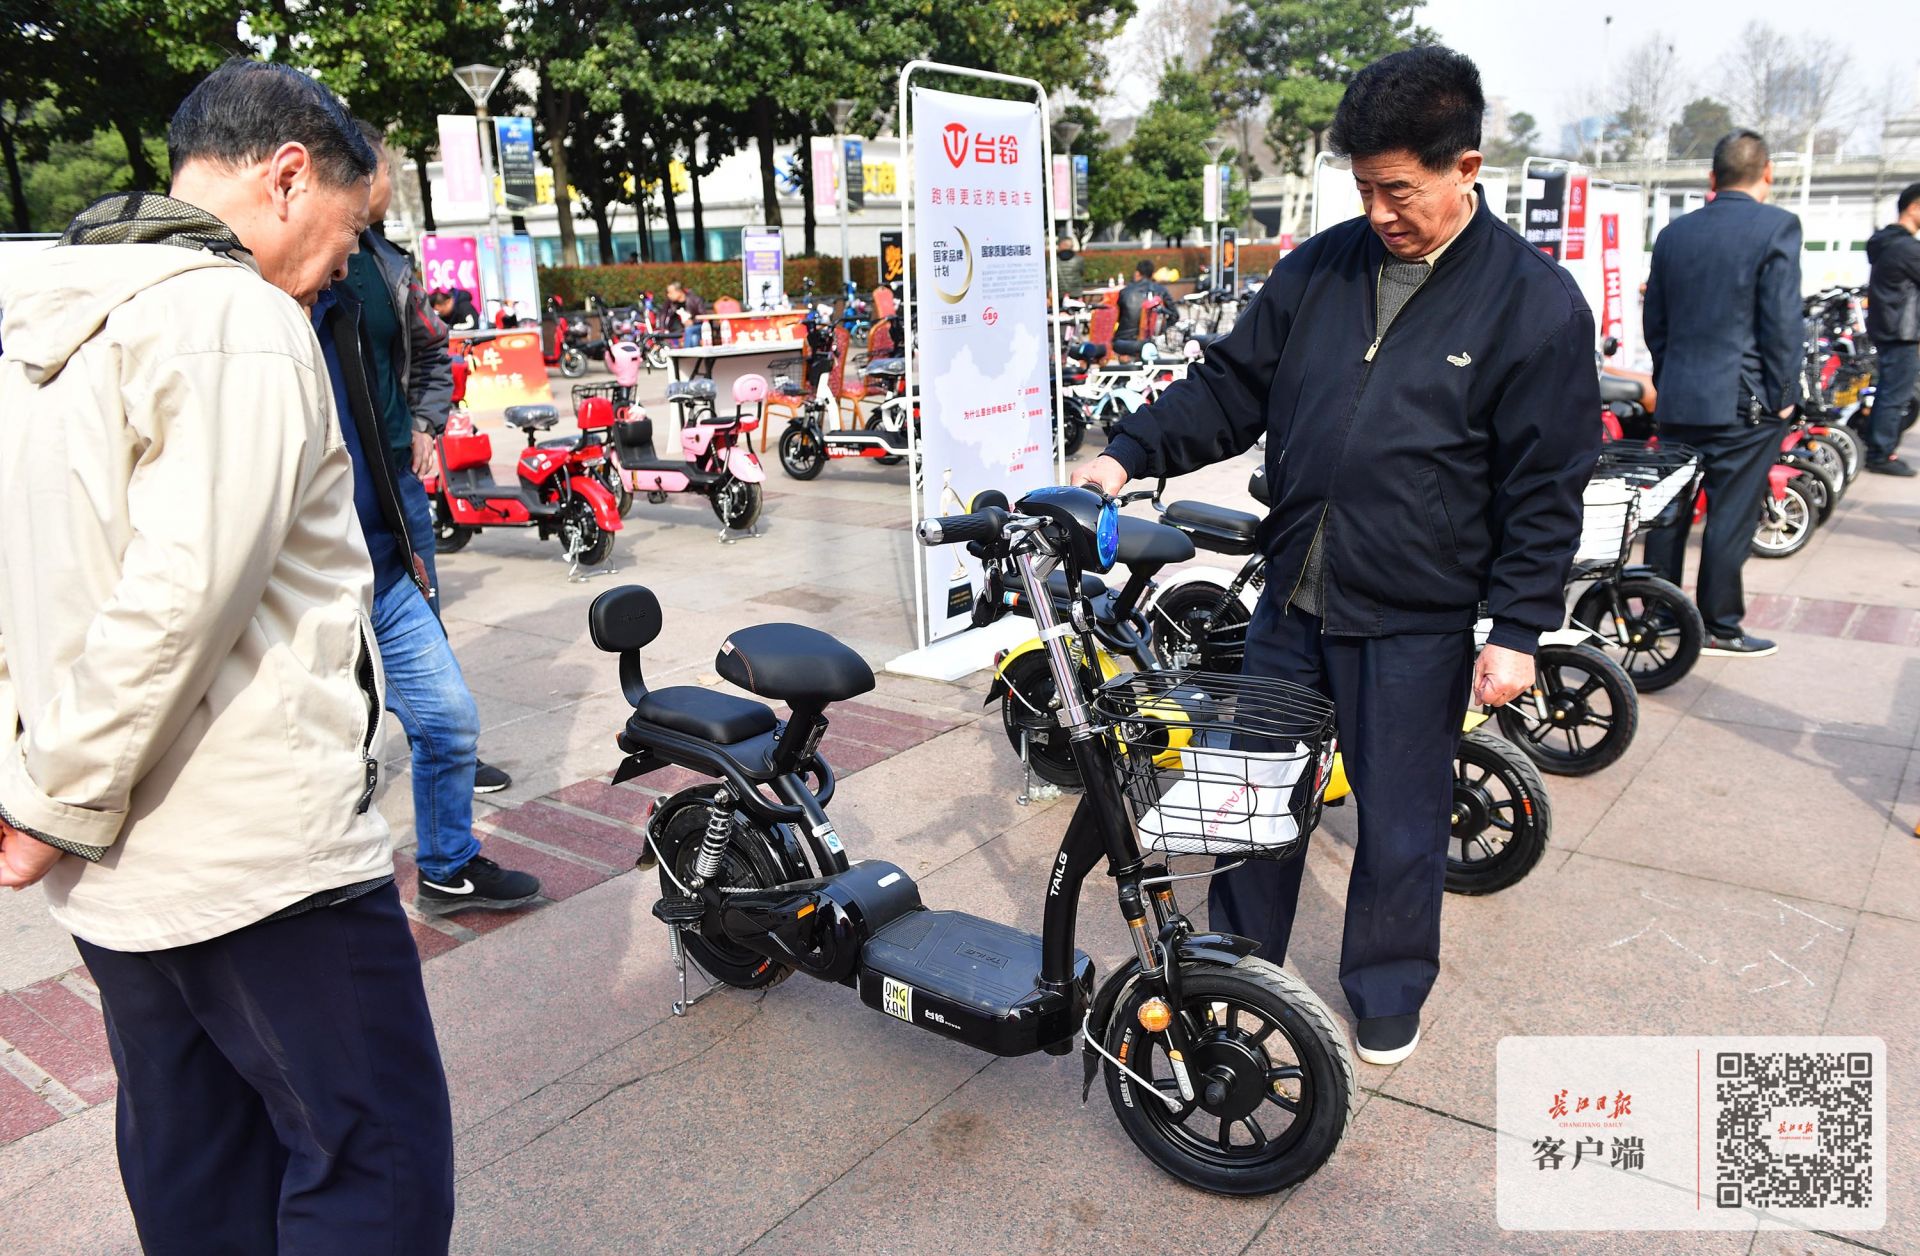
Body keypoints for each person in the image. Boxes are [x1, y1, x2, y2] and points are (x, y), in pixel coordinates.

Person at [0, 59, 454, 1250]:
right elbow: (181, 600)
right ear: (289, 176)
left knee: (196, 1166)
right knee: (379, 1169)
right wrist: (57, 799)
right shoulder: (236, 320)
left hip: (114, 879)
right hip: (256, 856)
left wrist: (34, 785)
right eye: (354, 227)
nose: (353, 261)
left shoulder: (51, 324)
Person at [1073, 45, 1599, 1066]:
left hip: (1415, 612)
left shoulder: (1534, 306)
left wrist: (1522, 627)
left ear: (1465, 168)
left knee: (1400, 819)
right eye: (1363, 188)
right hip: (1294, 596)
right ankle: (1239, 960)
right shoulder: (1323, 267)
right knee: (1257, 797)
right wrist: (1124, 452)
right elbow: (1231, 386)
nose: (1380, 211)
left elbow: (1546, 484)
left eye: (1398, 189)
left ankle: (1387, 988)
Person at [341, 120, 513, 795]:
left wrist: (423, 424)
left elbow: (435, 351)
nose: (389, 184)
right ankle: (347, 763)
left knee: (421, 623)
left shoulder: (387, 263)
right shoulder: (286, 265)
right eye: (387, 171)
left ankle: (446, 754)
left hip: (397, 480)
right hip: (328, 486)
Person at [1643, 129, 1803, 657]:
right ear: (1768, 174)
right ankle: (1719, 626)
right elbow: (1781, 320)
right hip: (1745, 402)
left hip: (1681, 396)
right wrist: (1784, 392)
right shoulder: (1778, 226)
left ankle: (1661, 615)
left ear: (1712, 178)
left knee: (1669, 514)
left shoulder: (1674, 234)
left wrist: (1668, 378)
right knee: (1729, 518)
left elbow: (1656, 321)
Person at [1863, 182, 1920, 474]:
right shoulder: (1906, 248)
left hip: (1891, 328)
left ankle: (1878, 447)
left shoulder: (1887, 242)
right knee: (1895, 395)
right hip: (1901, 331)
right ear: (1913, 207)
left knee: (1892, 391)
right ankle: (1880, 454)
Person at [1114, 258, 1174, 348]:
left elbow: (1117, 316)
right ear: (1153, 274)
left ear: (1137, 273)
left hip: (1123, 339)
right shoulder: (1161, 290)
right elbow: (1174, 315)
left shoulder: (1124, 291)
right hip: (1149, 340)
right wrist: (1160, 331)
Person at [664, 279, 707, 346]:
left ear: (679, 291)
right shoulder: (670, 303)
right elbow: (662, 315)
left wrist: (693, 321)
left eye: (670, 292)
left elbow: (704, 316)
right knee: (694, 338)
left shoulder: (695, 300)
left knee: (689, 330)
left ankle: (685, 352)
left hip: (697, 326)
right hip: (680, 330)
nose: (668, 295)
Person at [1055, 234, 1085, 302]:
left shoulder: (1054, 260)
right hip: (1076, 294)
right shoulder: (1079, 260)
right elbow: (1082, 273)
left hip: (1059, 294)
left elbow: (1048, 278)